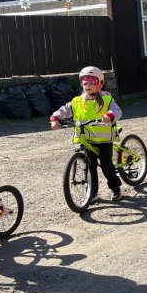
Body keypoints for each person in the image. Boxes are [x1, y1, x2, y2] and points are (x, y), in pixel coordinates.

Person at [50, 66, 123, 201]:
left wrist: (109, 115)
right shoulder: (77, 101)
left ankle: (115, 188)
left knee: (107, 167)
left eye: (91, 83)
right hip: (86, 139)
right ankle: (92, 193)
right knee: (89, 167)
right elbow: (64, 110)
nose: (87, 86)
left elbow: (117, 111)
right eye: (85, 83)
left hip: (104, 140)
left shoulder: (106, 99)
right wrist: (55, 119)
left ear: (99, 83)